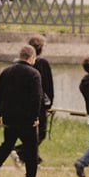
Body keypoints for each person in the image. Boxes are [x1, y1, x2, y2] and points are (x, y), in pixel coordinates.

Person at [0, 45, 44, 177]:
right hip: (27, 119)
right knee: (31, 149)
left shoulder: (7, 71)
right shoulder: (34, 74)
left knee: (7, 144)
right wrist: (36, 117)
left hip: (9, 117)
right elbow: (36, 98)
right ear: (32, 57)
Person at [14, 35, 54, 166]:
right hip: (39, 103)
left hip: (22, 103)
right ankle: (19, 151)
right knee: (40, 133)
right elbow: (48, 85)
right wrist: (49, 103)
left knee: (30, 132)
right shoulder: (43, 63)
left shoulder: (19, 65)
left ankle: (32, 158)